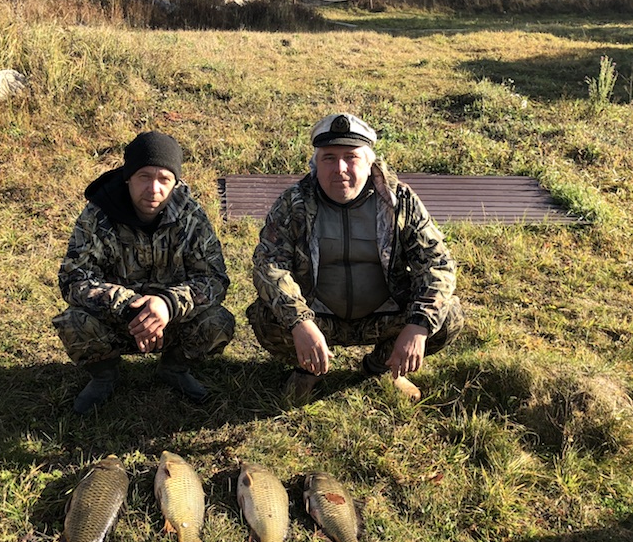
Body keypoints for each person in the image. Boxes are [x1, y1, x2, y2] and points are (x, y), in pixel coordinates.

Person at [248, 113, 464, 404]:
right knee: (266, 316)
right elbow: (268, 264)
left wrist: (418, 326)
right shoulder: (294, 203)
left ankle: (383, 367)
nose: (340, 169)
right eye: (329, 158)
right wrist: (301, 322)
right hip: (319, 317)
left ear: (369, 161)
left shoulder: (400, 202)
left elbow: (437, 262)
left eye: (351, 157)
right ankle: (309, 367)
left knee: (446, 316)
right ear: (315, 162)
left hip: (385, 314)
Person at [54, 131, 235, 414]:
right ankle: (104, 376)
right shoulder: (97, 215)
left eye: (164, 179)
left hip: (171, 322)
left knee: (218, 321)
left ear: (175, 182)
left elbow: (214, 279)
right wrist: (128, 306)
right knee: (73, 321)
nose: (153, 188)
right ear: (128, 177)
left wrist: (167, 305)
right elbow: (74, 279)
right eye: (143, 177)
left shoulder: (191, 216)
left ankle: (175, 369)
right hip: (117, 321)